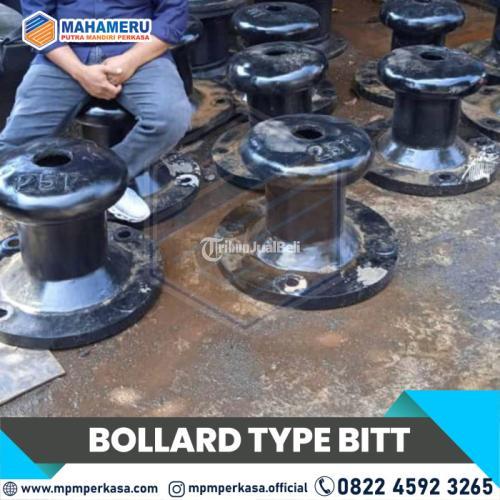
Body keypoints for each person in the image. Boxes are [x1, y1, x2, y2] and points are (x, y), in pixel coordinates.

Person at [0, 0, 192, 223]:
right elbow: (36, 20)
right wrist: (80, 72)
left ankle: (109, 179)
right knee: (12, 146)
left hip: (137, 53)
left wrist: (130, 60)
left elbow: (174, 12)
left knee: (170, 118)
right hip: (63, 57)